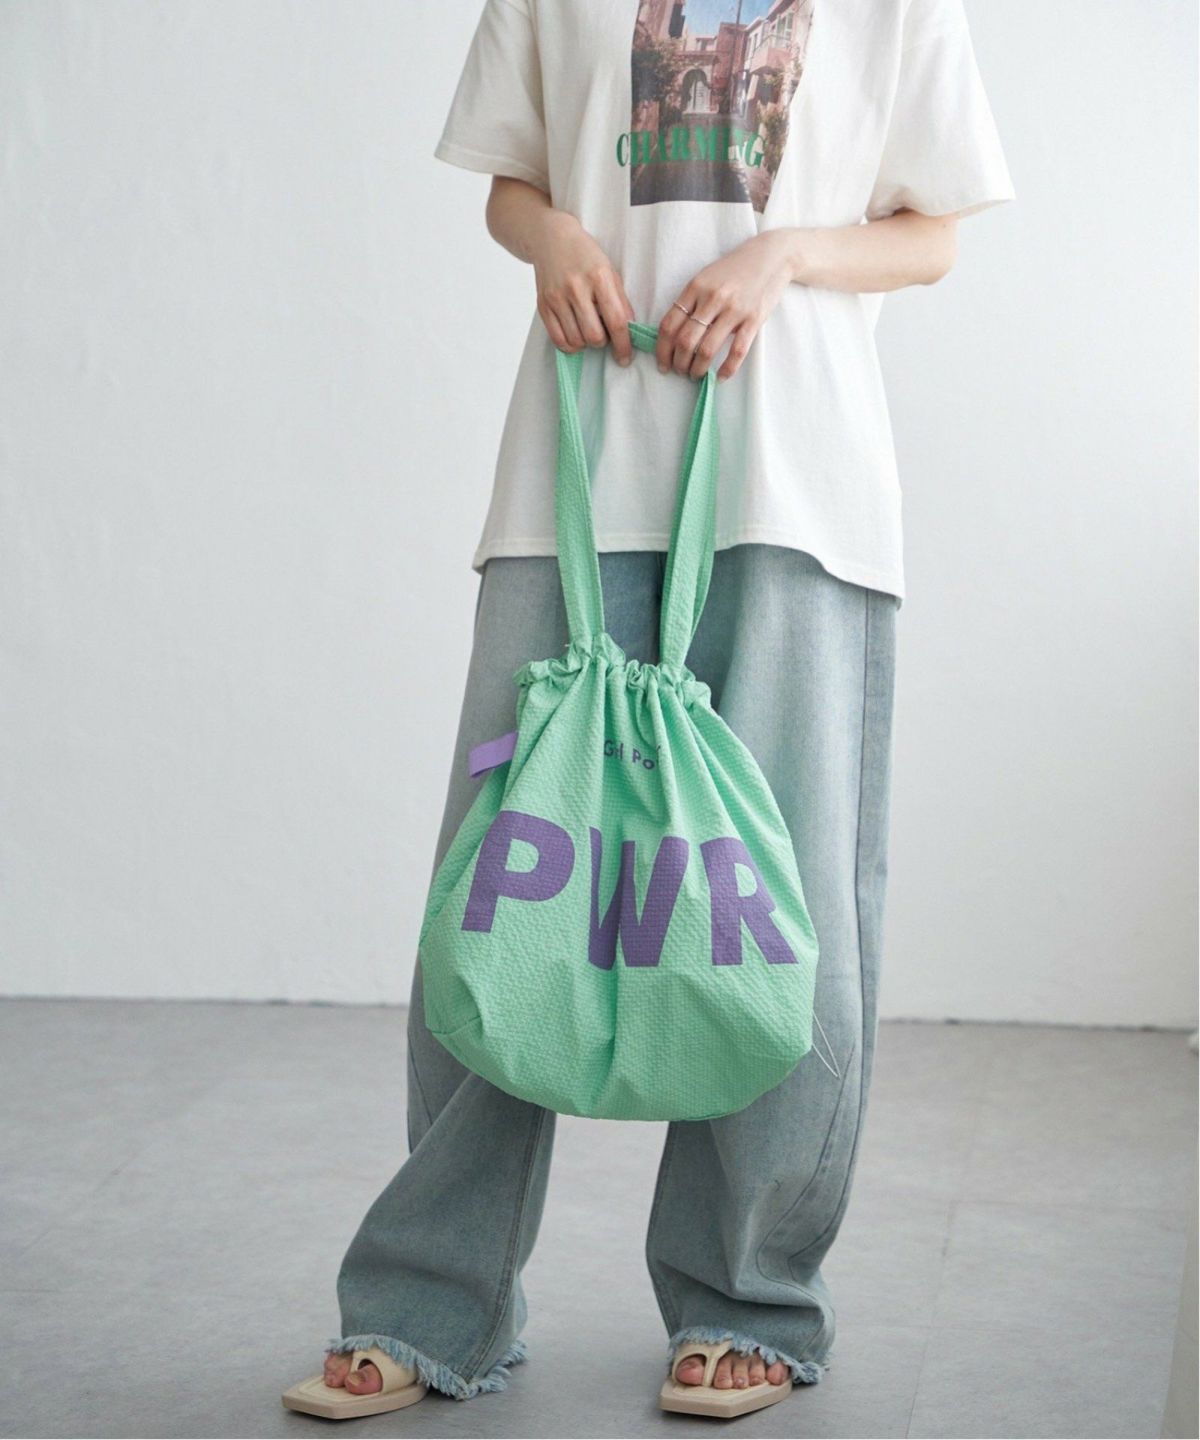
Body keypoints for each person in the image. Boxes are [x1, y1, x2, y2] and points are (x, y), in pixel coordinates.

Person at [282, 0, 1013, 1421]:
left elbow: (932, 233)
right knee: (508, 888)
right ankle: (430, 1301)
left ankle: (747, 1302)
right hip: (575, 463)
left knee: (780, 912)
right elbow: (512, 183)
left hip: (796, 488)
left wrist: (785, 255)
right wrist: (553, 239)